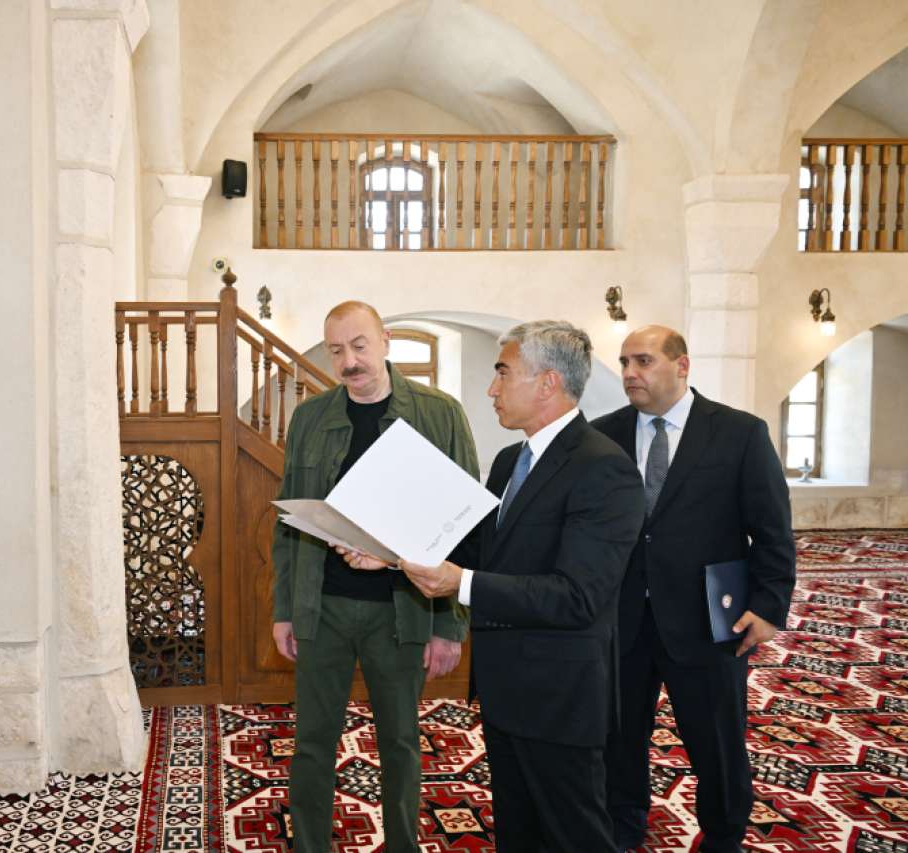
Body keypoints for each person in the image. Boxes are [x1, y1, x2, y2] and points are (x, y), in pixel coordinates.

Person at [347, 320, 646, 851]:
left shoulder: (603, 468)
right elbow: (480, 552)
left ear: (548, 383)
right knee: (517, 832)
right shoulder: (512, 460)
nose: (491, 389)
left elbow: (577, 597)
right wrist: (389, 556)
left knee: (575, 836)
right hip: (506, 688)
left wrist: (461, 584)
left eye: (503, 373)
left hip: (560, 697)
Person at [271, 300, 478, 853]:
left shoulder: (440, 414)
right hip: (323, 607)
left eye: (359, 346)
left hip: (402, 610)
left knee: (401, 742)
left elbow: (463, 526)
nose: (349, 362)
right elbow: (287, 524)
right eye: (337, 350)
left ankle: (403, 844)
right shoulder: (311, 418)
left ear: (386, 340)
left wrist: (449, 625)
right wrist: (284, 610)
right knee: (312, 741)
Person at [593, 325, 795, 852]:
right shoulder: (603, 434)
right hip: (622, 620)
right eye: (624, 362)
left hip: (709, 618)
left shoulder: (738, 433)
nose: (629, 373)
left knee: (717, 744)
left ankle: (724, 836)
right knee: (619, 739)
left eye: (643, 361)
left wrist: (768, 606)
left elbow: (772, 529)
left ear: (681, 365)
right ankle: (623, 827)